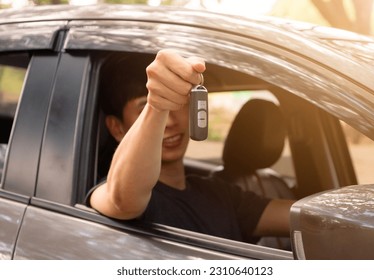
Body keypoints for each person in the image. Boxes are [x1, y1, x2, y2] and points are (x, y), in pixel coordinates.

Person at [89, 49, 295, 243]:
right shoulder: (109, 189)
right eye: (143, 106)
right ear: (116, 128)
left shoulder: (218, 193)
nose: (169, 122)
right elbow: (121, 201)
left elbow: (301, 218)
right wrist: (157, 106)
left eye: (179, 103)